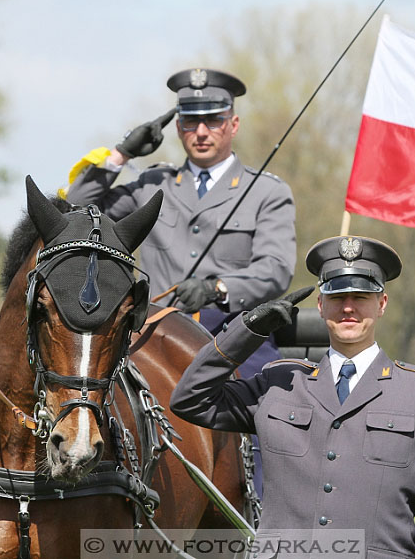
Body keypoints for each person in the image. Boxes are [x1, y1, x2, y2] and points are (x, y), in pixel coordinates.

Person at [62, 68, 297, 497]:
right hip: (151, 331)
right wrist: (120, 155)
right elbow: (74, 211)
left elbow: (276, 267)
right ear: (178, 126)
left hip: (233, 334)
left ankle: (267, 517)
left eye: (213, 120)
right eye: (190, 121)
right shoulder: (152, 183)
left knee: (274, 411)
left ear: (233, 124)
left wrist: (218, 288)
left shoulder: (266, 192)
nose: (201, 132)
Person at [171, 236, 415, 558]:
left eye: (361, 296)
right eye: (337, 296)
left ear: (382, 304)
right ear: (321, 305)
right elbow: (189, 399)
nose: (348, 307)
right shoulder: (279, 383)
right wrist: (247, 329)